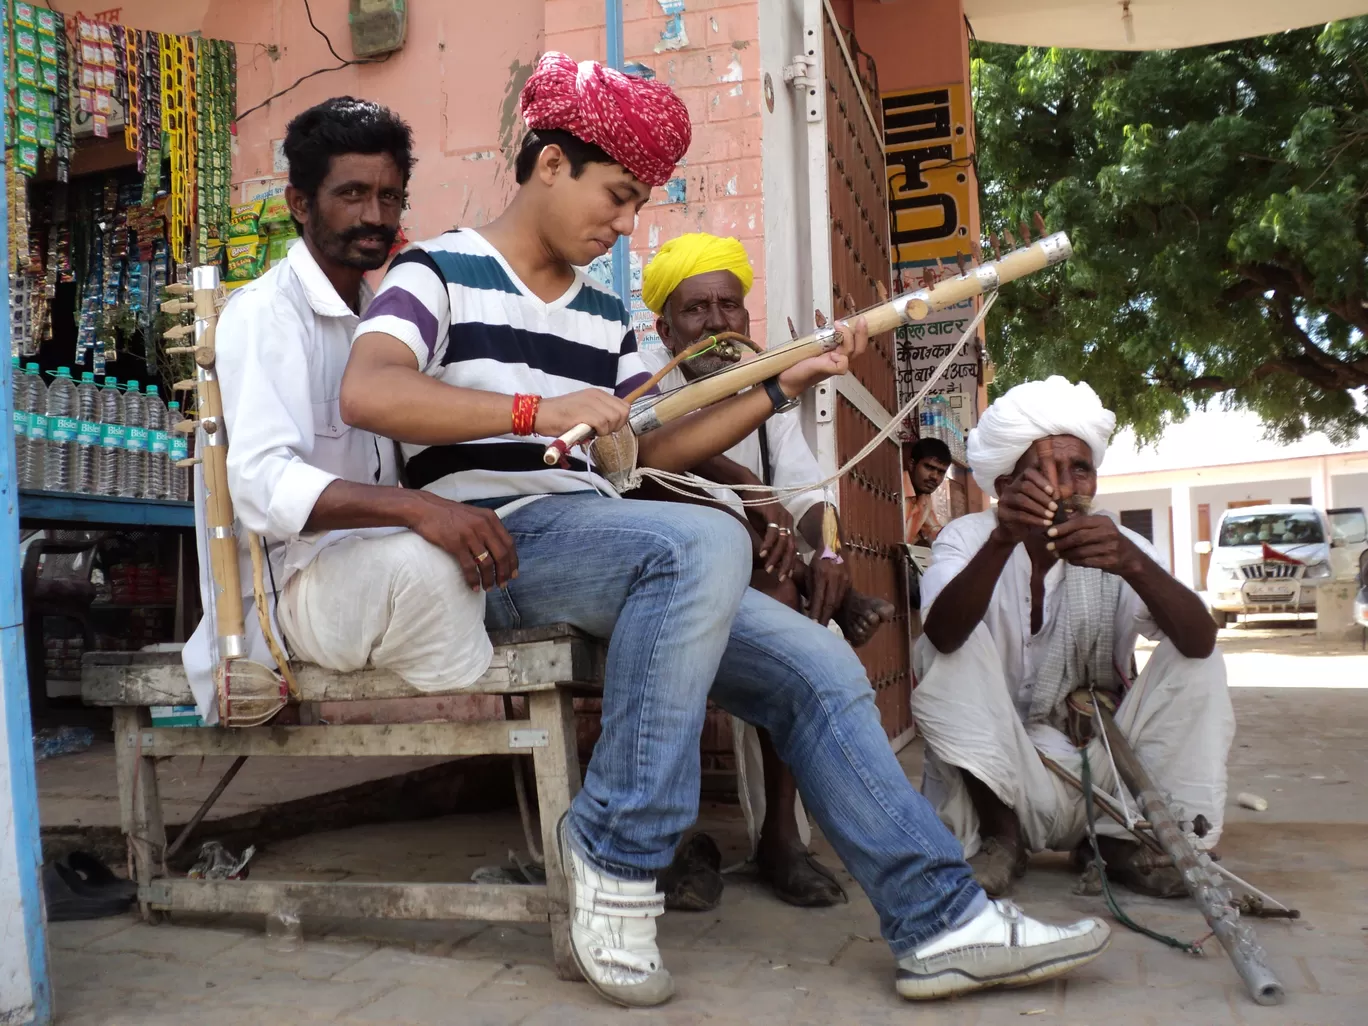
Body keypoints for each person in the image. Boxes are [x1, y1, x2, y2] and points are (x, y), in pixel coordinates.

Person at [340, 52, 1109, 1010]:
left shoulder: (605, 315)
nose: (626, 223)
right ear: (548, 164)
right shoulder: (437, 269)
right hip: (494, 545)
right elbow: (368, 389)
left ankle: (939, 923)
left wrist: (786, 382)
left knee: (816, 670)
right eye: (617, 196)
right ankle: (616, 855)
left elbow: (657, 440)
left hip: (614, 545)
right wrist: (538, 411)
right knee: (704, 540)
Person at [182, 97, 513, 722]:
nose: (374, 216)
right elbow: (259, 485)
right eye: (353, 194)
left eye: (390, 197)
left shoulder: (385, 315)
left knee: (502, 543)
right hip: (292, 594)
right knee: (433, 567)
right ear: (300, 204)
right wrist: (418, 509)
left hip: (371, 566)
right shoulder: (266, 313)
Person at [635, 232, 897, 910]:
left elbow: (809, 492)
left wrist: (829, 551)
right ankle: (675, 845)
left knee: (788, 589)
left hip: (759, 571)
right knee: (767, 571)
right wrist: (758, 504)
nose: (718, 323)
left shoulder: (763, 379)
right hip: (665, 575)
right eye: (697, 310)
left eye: (731, 306)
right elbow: (642, 458)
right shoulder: (642, 374)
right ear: (665, 328)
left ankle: (781, 837)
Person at [912, 376, 1234, 898]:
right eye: (1041, 470)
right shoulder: (971, 538)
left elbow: (1199, 641)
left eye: (1078, 469)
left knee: (1200, 662)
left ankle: (1120, 844)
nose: (1063, 487)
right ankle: (1002, 841)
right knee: (943, 648)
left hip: (1104, 767)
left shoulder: (1119, 544)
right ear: (1004, 486)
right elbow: (943, 635)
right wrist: (1002, 542)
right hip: (1004, 772)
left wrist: (1132, 565)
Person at [904, 436, 952, 545]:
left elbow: (936, 533)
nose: (935, 476)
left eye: (941, 472)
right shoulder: (895, 492)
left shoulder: (924, 498)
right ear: (912, 464)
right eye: (929, 467)